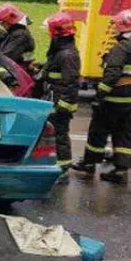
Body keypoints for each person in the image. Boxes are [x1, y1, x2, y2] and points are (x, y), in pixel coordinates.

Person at [71, 8, 131, 184]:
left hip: (114, 97)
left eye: (115, 25)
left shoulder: (121, 48)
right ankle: (121, 170)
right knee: (124, 132)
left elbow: (112, 74)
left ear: (123, 27)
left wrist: (99, 95)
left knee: (98, 129)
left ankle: (89, 163)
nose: (114, 28)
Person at [41, 12, 81, 175]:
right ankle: (55, 164)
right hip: (55, 97)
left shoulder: (67, 54)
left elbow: (70, 82)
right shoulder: (61, 50)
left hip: (60, 101)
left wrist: (62, 105)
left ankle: (62, 168)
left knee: (60, 134)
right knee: (55, 132)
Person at [0, 3, 36, 73]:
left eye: (2, 23)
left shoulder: (20, 35)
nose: (2, 26)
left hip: (19, 73)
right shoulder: (16, 31)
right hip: (20, 69)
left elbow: (8, 57)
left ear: (8, 21)